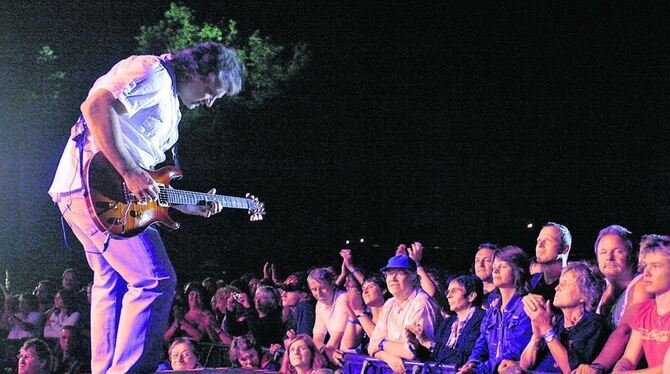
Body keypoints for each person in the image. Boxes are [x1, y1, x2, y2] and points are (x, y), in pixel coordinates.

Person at [48, 41, 246, 373]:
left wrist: (185, 207)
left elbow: (147, 179)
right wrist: (127, 169)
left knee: (112, 283)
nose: (211, 102)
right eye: (214, 90)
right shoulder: (151, 72)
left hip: (85, 192)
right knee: (156, 280)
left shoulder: (170, 99)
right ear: (200, 70)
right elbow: (95, 106)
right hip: (96, 190)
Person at [573, 226, 654, 374]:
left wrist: (597, 366)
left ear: (632, 255)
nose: (609, 257)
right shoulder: (602, 288)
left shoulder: (641, 285)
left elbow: (625, 331)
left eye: (617, 251)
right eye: (603, 252)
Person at [517, 262, 608, 373]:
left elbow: (570, 369)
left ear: (584, 294)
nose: (556, 288)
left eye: (564, 284)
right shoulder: (555, 321)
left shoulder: (592, 323)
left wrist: (546, 330)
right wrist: (536, 337)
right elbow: (524, 365)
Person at [460, 246, 532, 374]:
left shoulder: (526, 307)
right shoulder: (492, 310)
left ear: (517, 271)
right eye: (494, 267)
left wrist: (479, 370)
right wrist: (471, 363)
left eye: (503, 266)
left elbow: (515, 353)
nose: (496, 271)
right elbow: (481, 345)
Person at [368, 254, 438, 373]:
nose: (393, 278)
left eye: (400, 273)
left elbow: (410, 351)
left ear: (413, 277)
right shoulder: (389, 303)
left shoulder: (422, 302)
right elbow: (371, 346)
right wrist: (388, 357)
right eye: (389, 273)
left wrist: (381, 344)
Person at [612, 235, 670, 373]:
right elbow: (629, 358)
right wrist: (620, 368)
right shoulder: (644, 311)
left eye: (656, 266)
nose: (646, 272)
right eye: (645, 266)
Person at [406, 274, 486, 370]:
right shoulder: (448, 322)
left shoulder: (482, 319)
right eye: (448, 292)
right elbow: (433, 357)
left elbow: (466, 358)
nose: (448, 296)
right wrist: (416, 343)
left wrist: (428, 343)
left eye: (454, 291)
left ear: (471, 296)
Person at [308, 267, 350, 366]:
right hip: (336, 354)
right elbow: (317, 339)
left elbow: (335, 340)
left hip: (352, 353)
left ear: (331, 285)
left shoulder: (343, 298)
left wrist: (325, 353)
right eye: (314, 289)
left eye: (322, 288)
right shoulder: (320, 304)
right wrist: (324, 350)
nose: (318, 293)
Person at [531, 222, 572, 302]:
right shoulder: (532, 284)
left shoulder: (574, 285)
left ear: (565, 249)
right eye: (538, 240)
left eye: (548, 240)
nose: (540, 244)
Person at [473, 243, 499, 308]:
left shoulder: (503, 295)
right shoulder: (470, 293)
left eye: (486, 260)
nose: (480, 264)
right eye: (477, 261)